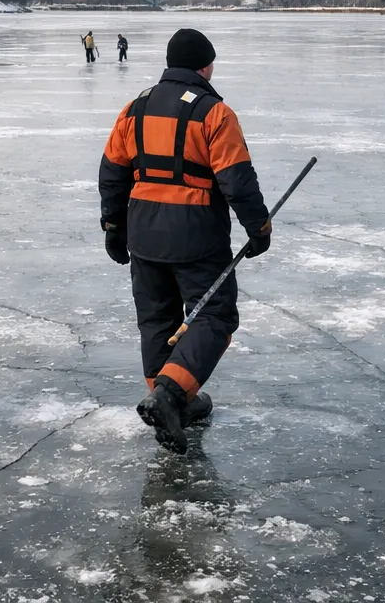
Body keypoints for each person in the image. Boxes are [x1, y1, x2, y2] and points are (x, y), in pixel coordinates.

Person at [98, 28, 271, 454]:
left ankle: (173, 399)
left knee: (157, 319)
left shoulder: (134, 109)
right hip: (195, 235)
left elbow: (112, 173)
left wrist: (114, 227)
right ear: (205, 65)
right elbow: (237, 179)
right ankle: (172, 395)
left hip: (142, 232)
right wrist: (259, 227)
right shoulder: (215, 113)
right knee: (214, 316)